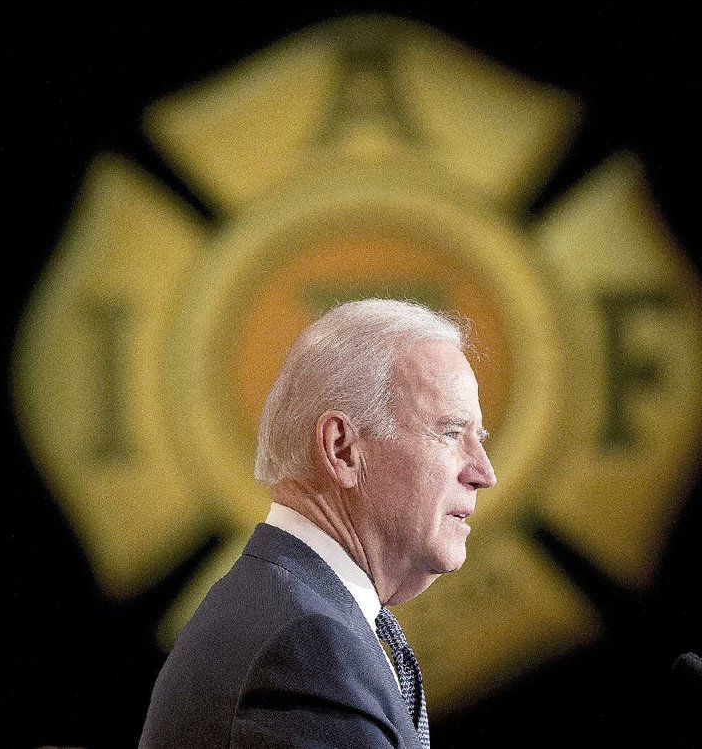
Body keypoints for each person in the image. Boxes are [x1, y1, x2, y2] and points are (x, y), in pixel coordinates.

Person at [138, 298, 497, 748]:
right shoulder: (308, 648)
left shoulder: (283, 609)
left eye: (478, 439)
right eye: (449, 433)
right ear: (343, 450)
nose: (484, 473)